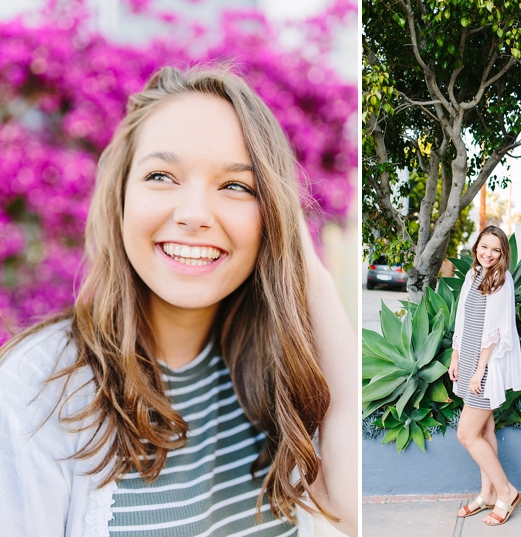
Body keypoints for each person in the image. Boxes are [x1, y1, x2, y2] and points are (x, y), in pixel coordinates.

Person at [0, 66, 357, 537]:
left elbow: (355, 512)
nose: (193, 215)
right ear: (121, 197)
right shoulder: (38, 388)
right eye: (161, 176)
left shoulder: (281, 371)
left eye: (236, 186)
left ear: (271, 213)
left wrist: (309, 270)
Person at [448, 225, 521, 527]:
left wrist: (480, 371)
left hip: (485, 366)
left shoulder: (501, 280)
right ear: (476, 246)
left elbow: (494, 332)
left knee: (466, 434)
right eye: (484, 247)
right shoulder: (473, 275)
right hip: (467, 360)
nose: (488, 254)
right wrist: (456, 356)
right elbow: (463, 318)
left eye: (496, 249)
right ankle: (487, 493)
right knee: (484, 431)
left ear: (503, 253)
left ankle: (507, 491)